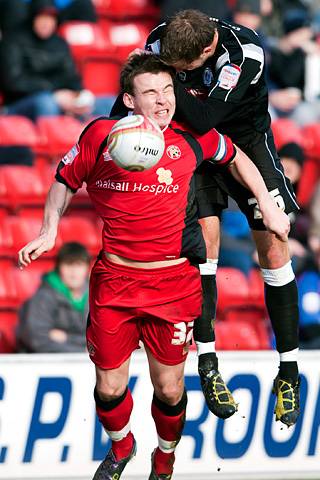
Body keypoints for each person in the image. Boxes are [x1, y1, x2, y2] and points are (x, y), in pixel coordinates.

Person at [18, 53, 290, 479]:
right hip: (115, 279)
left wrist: (271, 209)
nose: (163, 101)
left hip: (172, 281)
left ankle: (164, 458)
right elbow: (63, 181)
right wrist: (49, 229)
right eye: (151, 92)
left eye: (168, 91)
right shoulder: (100, 136)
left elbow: (237, 156)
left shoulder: (191, 137)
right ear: (129, 99)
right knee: (108, 388)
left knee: (169, 387)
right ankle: (121, 446)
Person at [140, 8, 301, 427]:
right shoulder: (162, 39)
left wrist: (171, 89)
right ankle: (208, 363)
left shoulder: (244, 53)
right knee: (203, 249)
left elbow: (208, 116)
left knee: (274, 247)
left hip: (246, 139)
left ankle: (288, 370)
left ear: (208, 47)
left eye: (184, 69)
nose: (175, 72)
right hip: (195, 145)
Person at [0, 0, 113, 121]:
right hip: (20, 104)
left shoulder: (60, 44)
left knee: (109, 103)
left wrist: (76, 96)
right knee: (46, 103)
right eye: (42, 17)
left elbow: (73, 79)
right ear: (33, 17)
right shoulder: (13, 40)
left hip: (60, 100)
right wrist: (55, 95)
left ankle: (82, 138)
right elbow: (13, 82)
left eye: (51, 18)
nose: (46, 23)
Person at [17, 242, 90, 353]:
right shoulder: (43, 297)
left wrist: (66, 338)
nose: (74, 272)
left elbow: (103, 339)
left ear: (87, 268)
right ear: (58, 268)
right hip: (47, 365)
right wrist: (82, 350)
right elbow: (35, 339)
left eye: (79, 265)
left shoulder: (95, 296)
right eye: (68, 264)